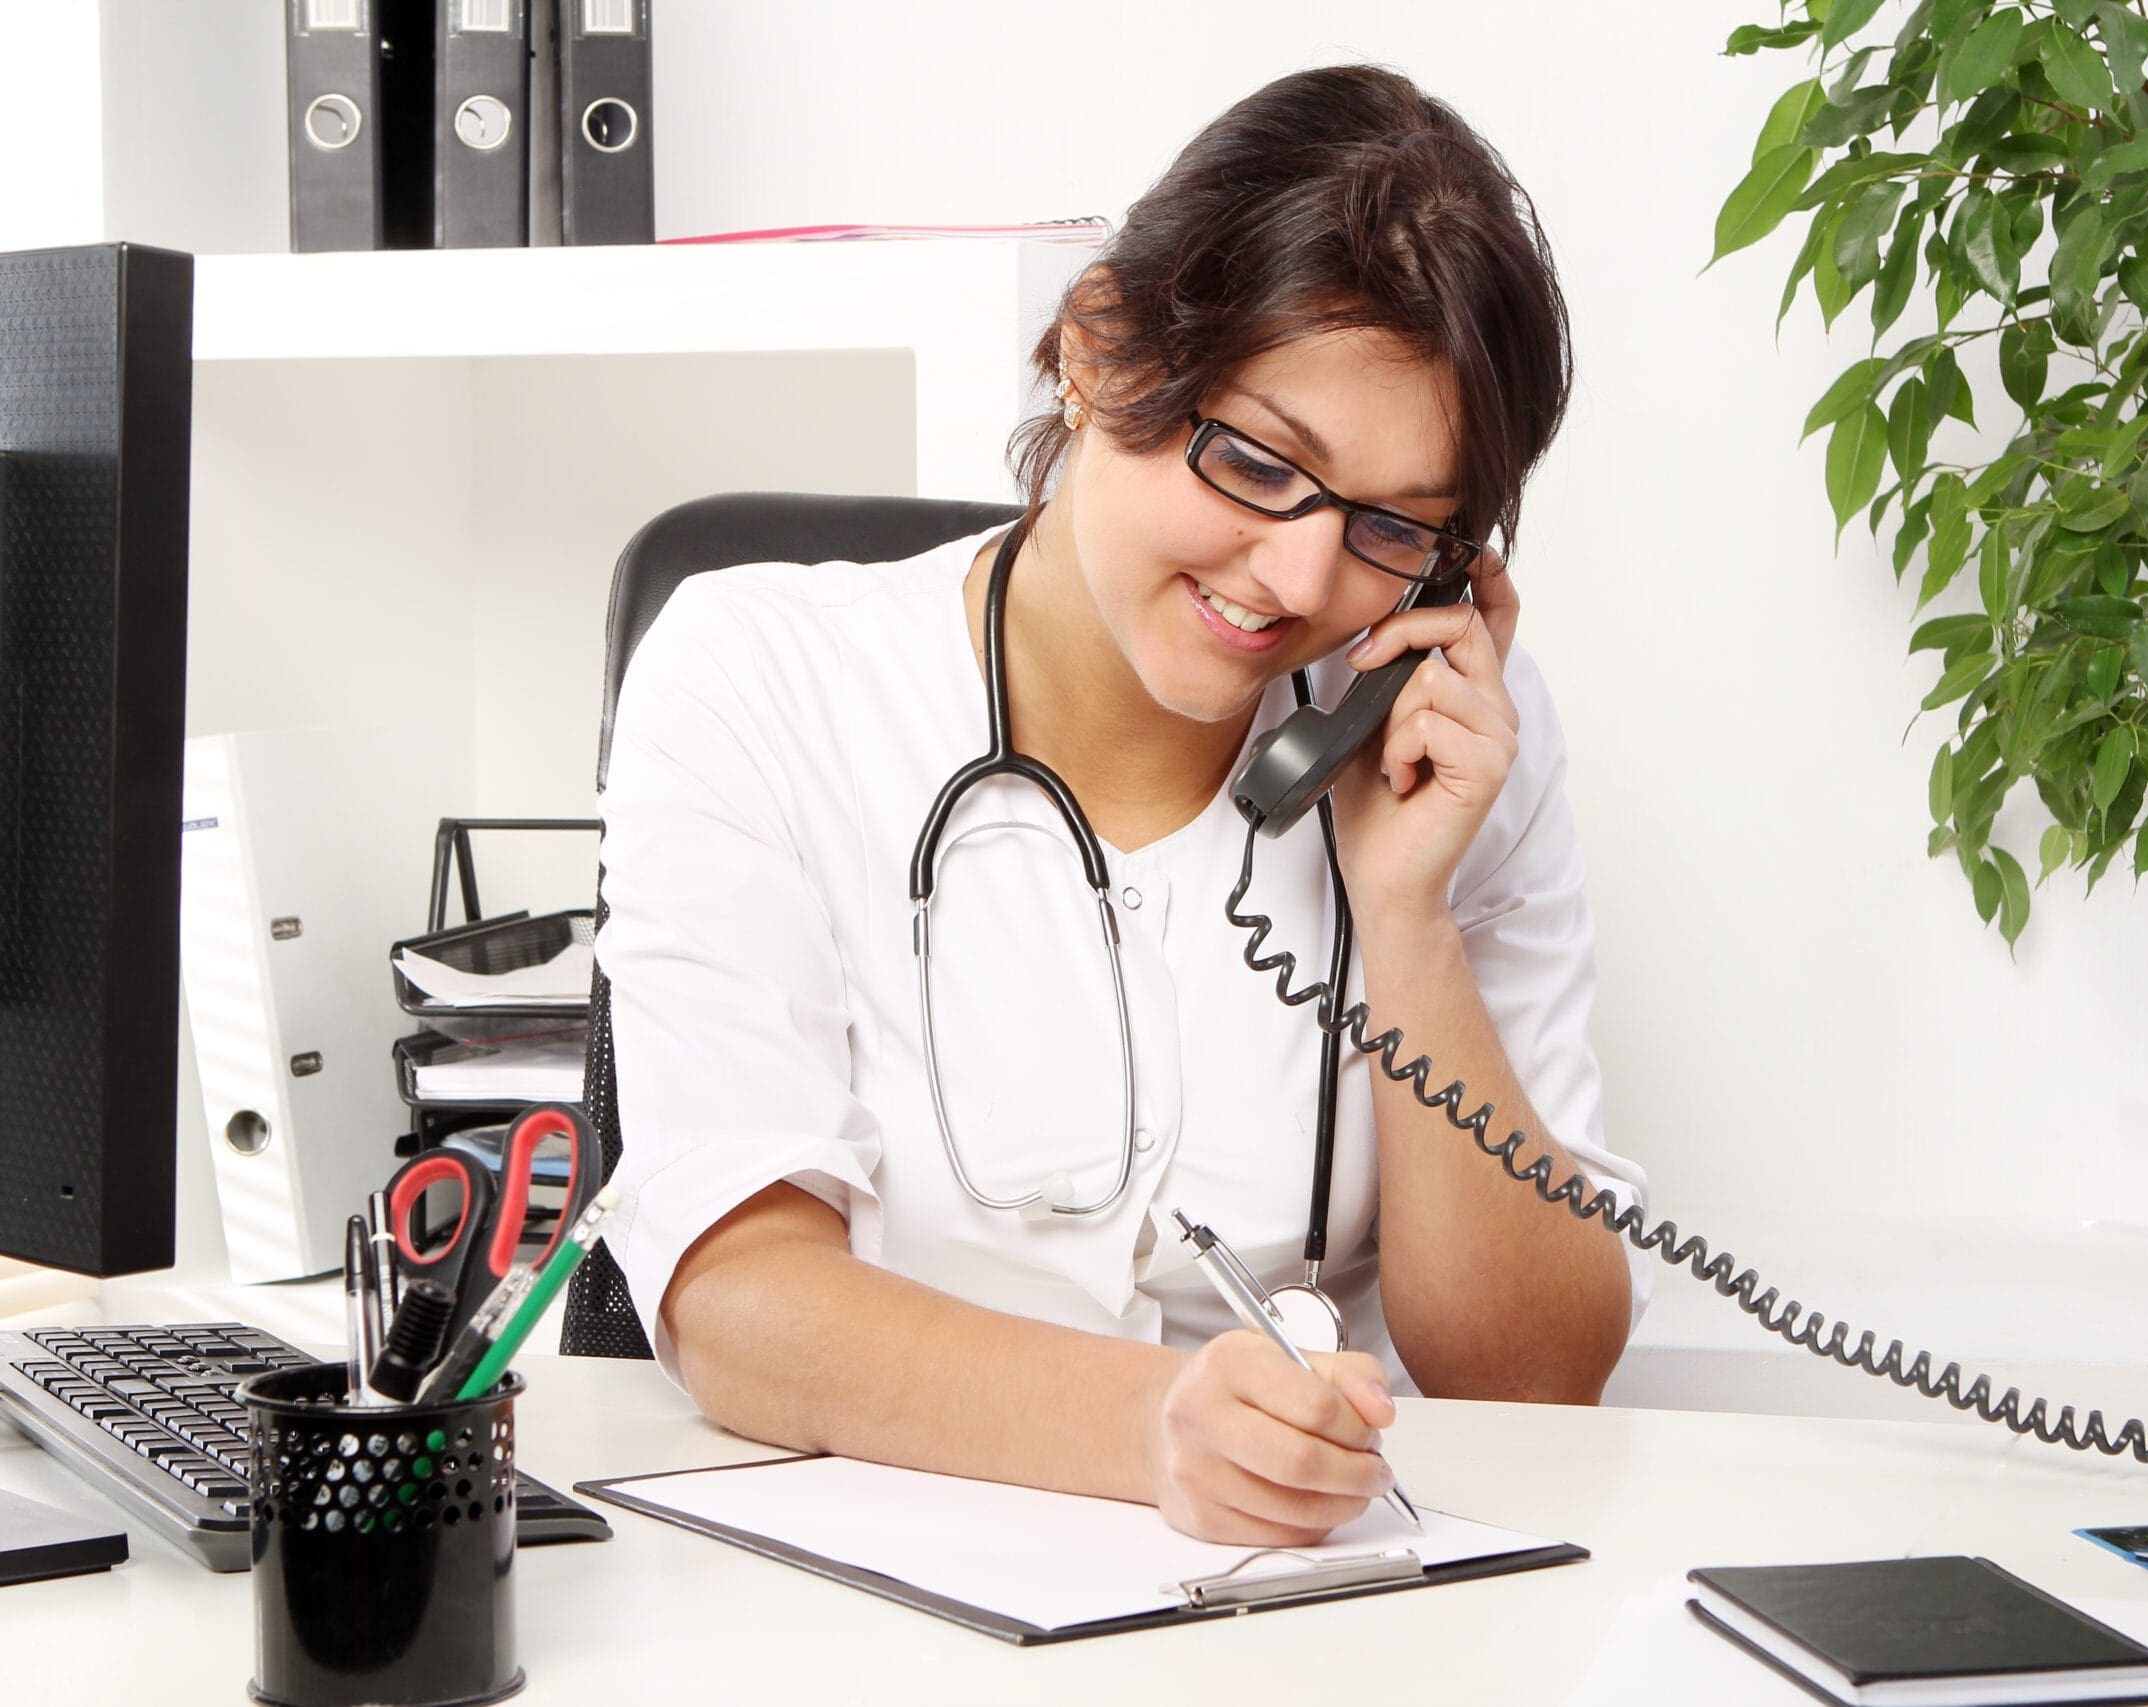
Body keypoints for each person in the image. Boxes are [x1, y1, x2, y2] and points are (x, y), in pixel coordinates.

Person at [595, 63, 1651, 1547]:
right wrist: (1153, 1433)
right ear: (1097, 352)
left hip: (1331, 1607)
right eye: (1260, 462)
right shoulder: (753, 672)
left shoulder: (1445, 737)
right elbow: (738, 1297)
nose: (1297, 582)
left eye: (1394, 529)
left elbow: (1533, 1382)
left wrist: (1404, 914)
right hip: (887, 1577)